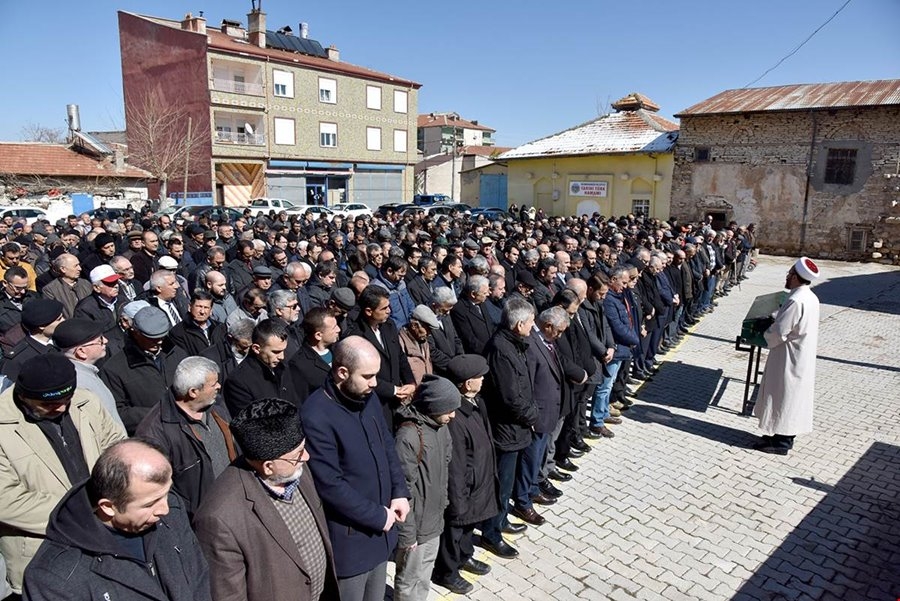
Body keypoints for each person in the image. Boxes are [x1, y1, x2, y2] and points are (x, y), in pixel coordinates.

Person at [22, 439, 212, 601]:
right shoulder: (53, 579)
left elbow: (199, 579)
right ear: (108, 507)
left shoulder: (172, 509)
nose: (165, 509)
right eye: (150, 504)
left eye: (167, 493)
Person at [0, 354, 125, 595]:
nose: (61, 408)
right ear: (24, 396)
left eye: (66, 398)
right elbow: (6, 500)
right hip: (44, 551)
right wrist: (81, 510)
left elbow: (117, 446)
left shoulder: (86, 402)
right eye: (48, 404)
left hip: (103, 537)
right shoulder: (4, 426)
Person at [194, 398, 339, 601]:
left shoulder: (294, 467)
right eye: (298, 454)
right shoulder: (219, 519)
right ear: (268, 466)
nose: (306, 457)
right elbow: (229, 596)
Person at [300, 336, 410, 601]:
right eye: (368, 376)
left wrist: (399, 491)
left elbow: (386, 446)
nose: (375, 383)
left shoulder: (367, 397)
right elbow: (330, 485)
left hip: (382, 530)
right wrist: (377, 516)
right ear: (342, 372)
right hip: (352, 542)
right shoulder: (315, 415)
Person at [136, 356, 236, 517]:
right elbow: (160, 488)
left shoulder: (216, 404)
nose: (219, 386)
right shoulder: (154, 431)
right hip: (202, 516)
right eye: (213, 384)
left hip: (233, 501)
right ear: (193, 392)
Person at [431, 354, 498, 594]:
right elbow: (456, 465)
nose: (483, 381)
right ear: (467, 383)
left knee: (468, 527)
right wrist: (457, 500)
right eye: (479, 377)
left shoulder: (476, 403)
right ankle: (446, 572)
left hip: (478, 482)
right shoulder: (456, 418)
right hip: (464, 487)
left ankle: (465, 556)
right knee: (455, 530)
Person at [479, 297, 536, 559]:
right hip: (506, 428)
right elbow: (509, 396)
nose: (533, 327)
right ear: (518, 324)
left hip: (515, 427)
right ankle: (491, 533)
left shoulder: (513, 343)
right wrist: (532, 415)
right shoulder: (501, 349)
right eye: (531, 322)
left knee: (508, 480)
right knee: (500, 484)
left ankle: (501, 520)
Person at [393, 375, 458, 601]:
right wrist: (407, 534)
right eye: (449, 409)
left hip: (434, 520)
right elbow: (402, 489)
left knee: (425, 574)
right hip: (416, 526)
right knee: (409, 580)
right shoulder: (408, 436)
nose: (453, 415)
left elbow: (445, 468)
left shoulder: (440, 427)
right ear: (434, 406)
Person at [753, 257, 821, 455]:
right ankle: (779, 434)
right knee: (788, 395)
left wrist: (766, 333)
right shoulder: (810, 297)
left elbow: (780, 332)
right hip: (799, 355)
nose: (787, 277)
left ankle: (783, 442)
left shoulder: (795, 300)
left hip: (788, 357)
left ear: (795, 277)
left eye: (789, 273)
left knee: (785, 395)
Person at [100, 306, 189, 434]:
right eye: (151, 338)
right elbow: (116, 412)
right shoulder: (114, 368)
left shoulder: (177, 353)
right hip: (152, 435)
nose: (158, 342)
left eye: (162, 336)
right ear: (135, 332)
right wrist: (158, 413)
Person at [53, 318, 124, 430]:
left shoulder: (84, 373)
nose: (105, 341)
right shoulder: (79, 384)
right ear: (81, 352)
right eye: (100, 339)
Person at [223, 318, 296, 415]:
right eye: (276, 352)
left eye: (283, 350)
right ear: (257, 348)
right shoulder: (238, 382)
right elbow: (249, 424)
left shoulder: (284, 368)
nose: (282, 357)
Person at [286, 307, 341, 405]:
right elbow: (301, 400)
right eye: (334, 327)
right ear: (318, 335)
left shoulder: (339, 350)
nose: (339, 329)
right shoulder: (299, 365)